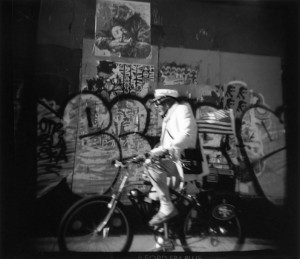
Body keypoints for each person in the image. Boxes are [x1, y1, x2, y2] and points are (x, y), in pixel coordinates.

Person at [144, 89, 198, 226]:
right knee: (152, 186)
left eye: (157, 103)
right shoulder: (168, 118)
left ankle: (168, 209)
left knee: (152, 167)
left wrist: (164, 150)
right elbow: (166, 145)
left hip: (185, 162)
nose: (156, 107)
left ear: (166, 102)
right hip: (174, 162)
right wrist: (151, 153)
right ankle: (164, 237)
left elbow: (187, 135)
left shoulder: (181, 110)